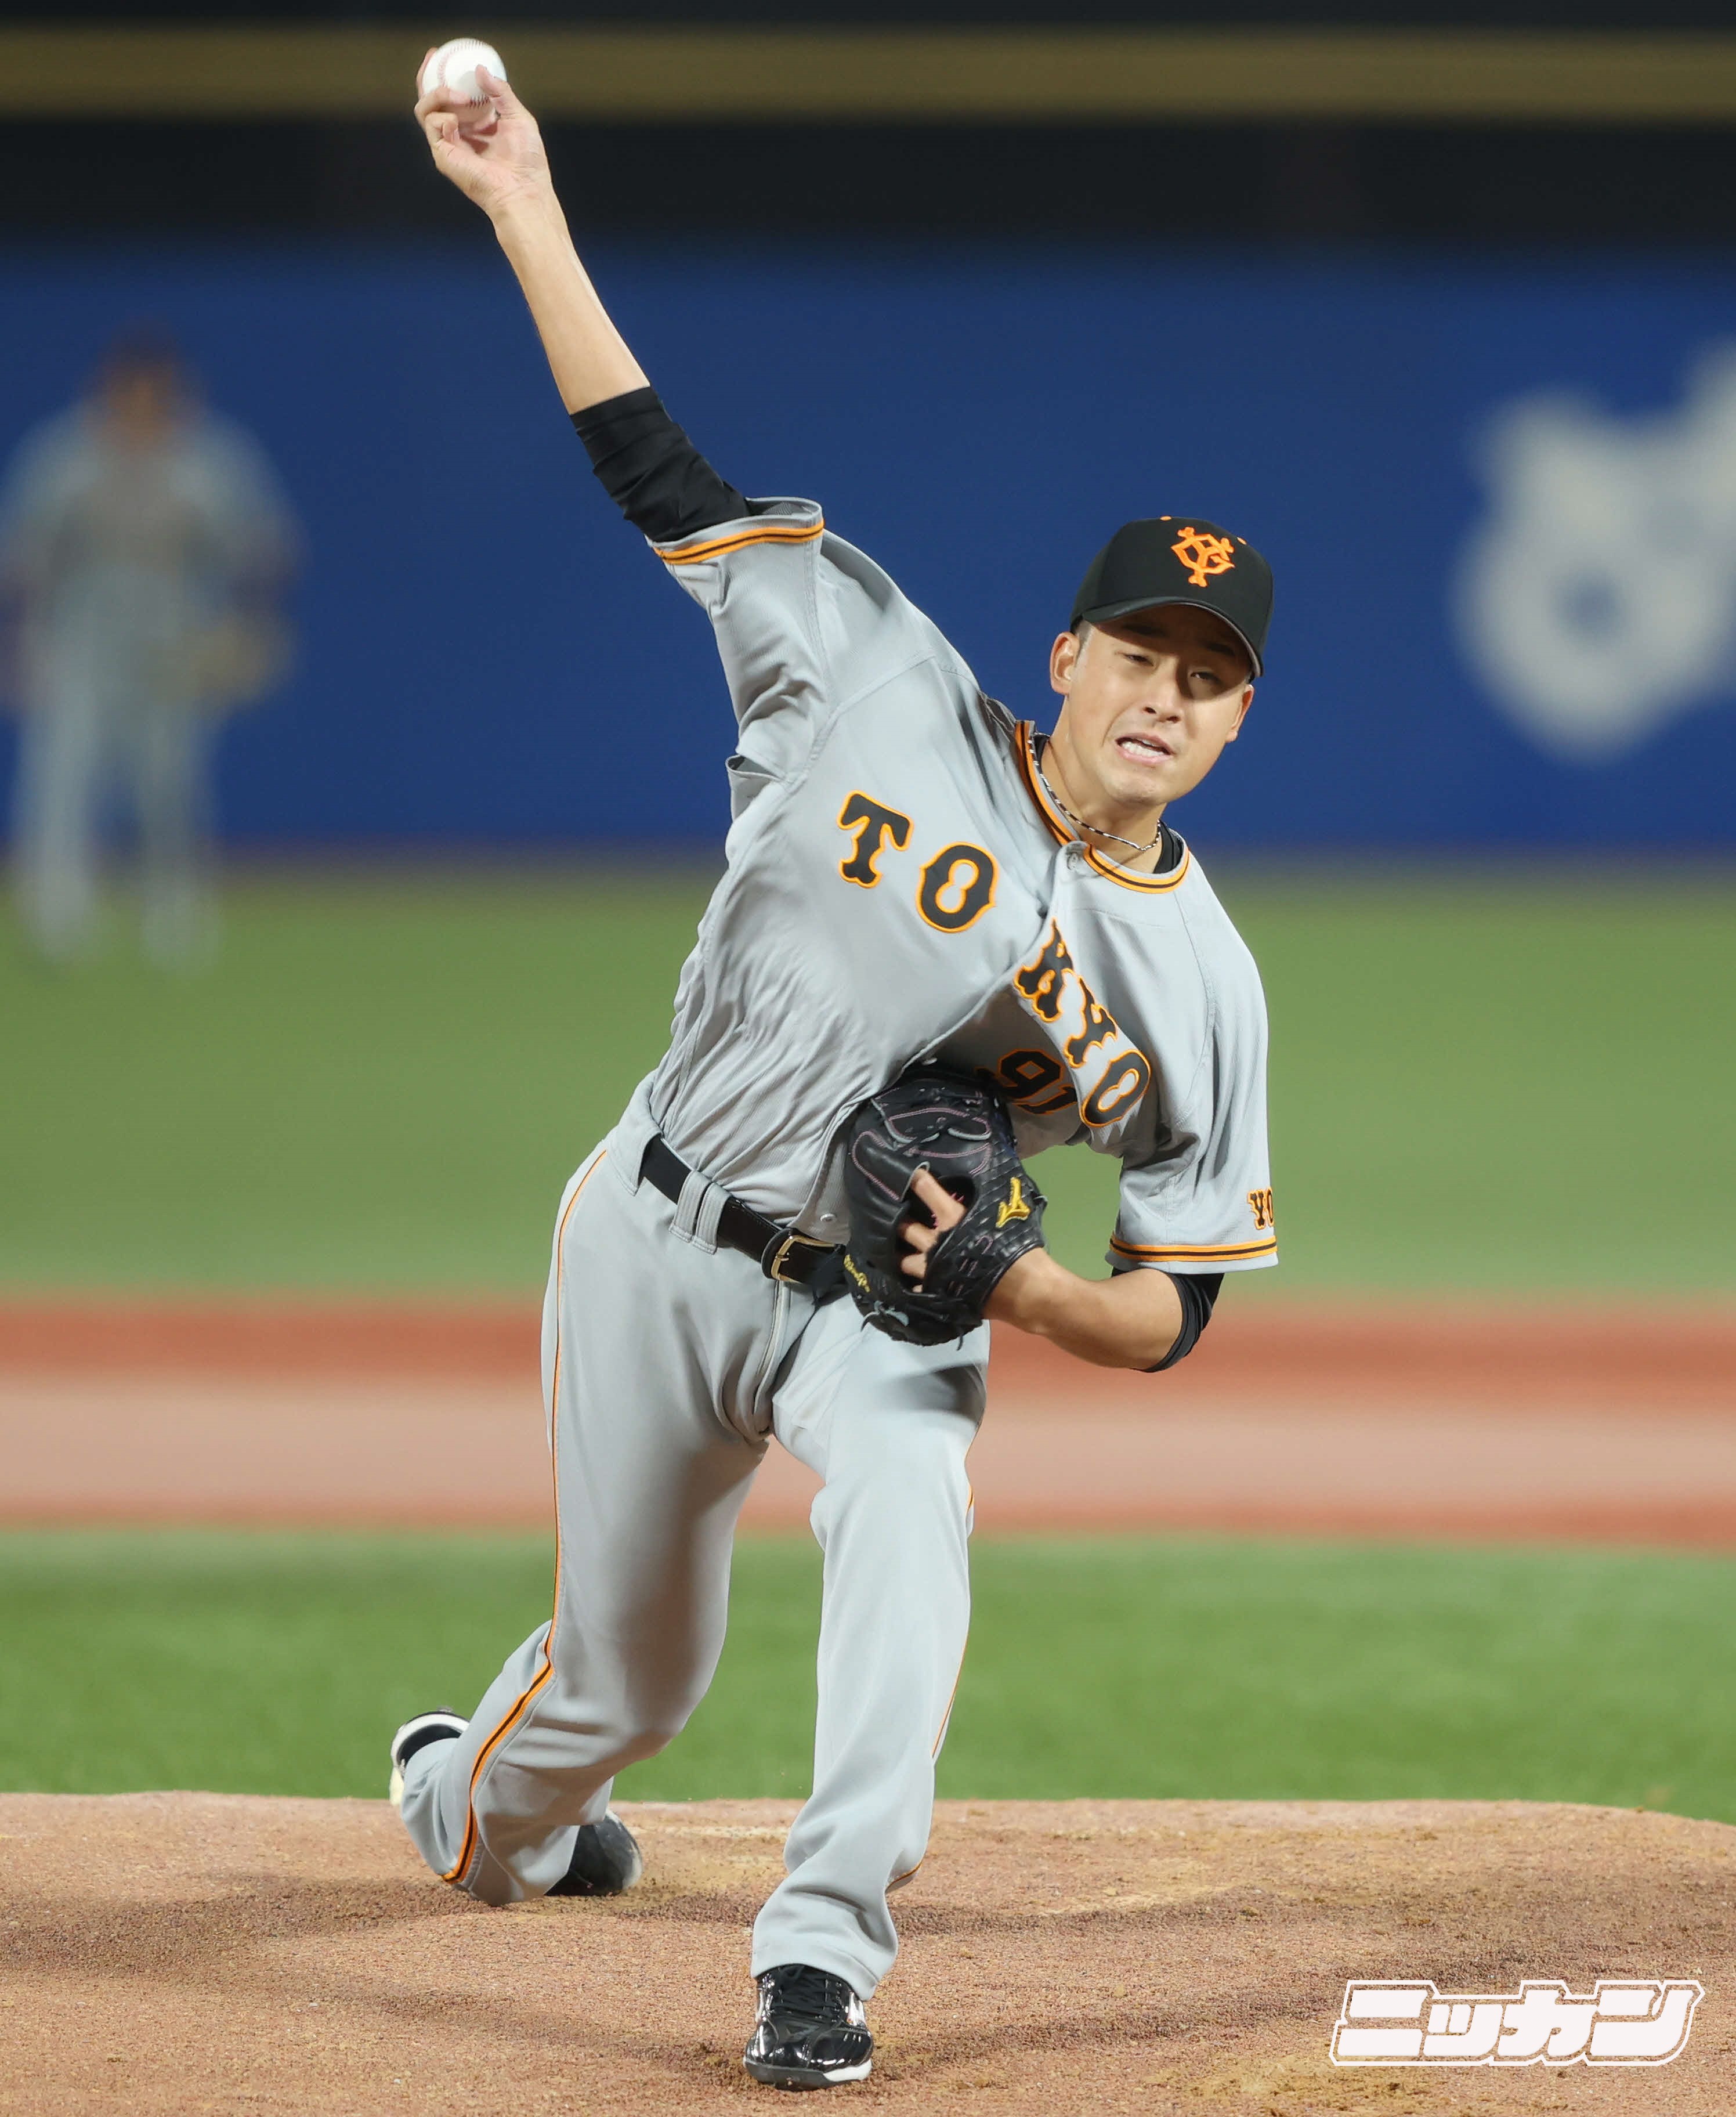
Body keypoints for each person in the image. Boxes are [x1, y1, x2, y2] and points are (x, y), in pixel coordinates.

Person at [392, 61, 1278, 2093]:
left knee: (913, 1501)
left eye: (1209, 675)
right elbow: (657, 470)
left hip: (886, 1303)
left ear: (1238, 722)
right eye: (1140, 651)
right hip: (658, 1226)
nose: (1165, 694)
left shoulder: (1203, 984)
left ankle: (819, 1952)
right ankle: (477, 1803)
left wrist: (1022, 1288)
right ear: (1063, 657)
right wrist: (524, 203)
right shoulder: (870, 668)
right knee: (626, 1689)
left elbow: (1175, 1305)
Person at [0, 328, 299, 966]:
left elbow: (263, 550)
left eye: (153, 392)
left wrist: (249, 626)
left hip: (173, 639)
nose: (140, 404)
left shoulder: (209, 460)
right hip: (80, 638)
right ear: (106, 391)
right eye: (128, 392)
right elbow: (24, 562)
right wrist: (18, 645)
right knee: (63, 776)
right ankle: (58, 916)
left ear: (175, 393)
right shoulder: (67, 455)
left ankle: (174, 914)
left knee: (167, 784)